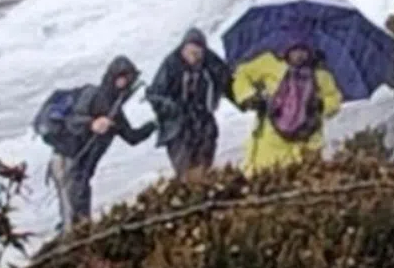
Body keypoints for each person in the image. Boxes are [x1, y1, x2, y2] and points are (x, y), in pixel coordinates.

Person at [35, 55, 157, 232]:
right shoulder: (92, 95)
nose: (129, 84)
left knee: (81, 216)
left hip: (81, 171)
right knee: (73, 219)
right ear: (116, 78)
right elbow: (71, 121)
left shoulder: (115, 112)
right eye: (127, 79)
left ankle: (77, 245)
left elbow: (132, 137)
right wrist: (91, 124)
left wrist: (154, 124)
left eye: (131, 79)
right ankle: (70, 247)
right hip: (66, 161)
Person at [230, 37, 342, 174]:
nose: (299, 55)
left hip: (307, 145)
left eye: (303, 50)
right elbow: (242, 74)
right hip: (270, 145)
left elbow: (334, 99)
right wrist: (250, 97)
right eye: (295, 49)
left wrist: (321, 105)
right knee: (267, 182)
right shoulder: (270, 63)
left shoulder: (322, 76)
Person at [146, 27, 233, 177]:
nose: (194, 57)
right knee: (185, 169)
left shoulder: (211, 62)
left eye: (198, 53)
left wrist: (245, 100)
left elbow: (228, 82)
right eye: (189, 52)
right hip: (177, 125)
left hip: (203, 120)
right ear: (183, 48)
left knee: (204, 164)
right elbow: (154, 94)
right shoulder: (170, 63)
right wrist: (168, 107)